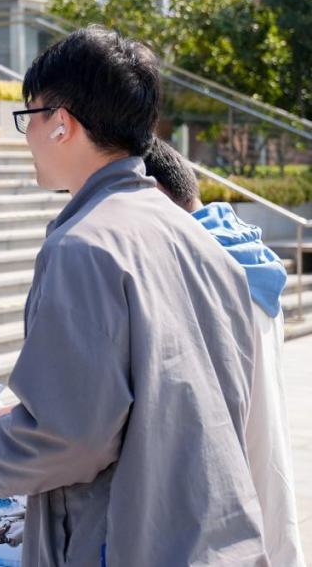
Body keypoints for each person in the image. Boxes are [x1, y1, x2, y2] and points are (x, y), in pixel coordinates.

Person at [0, 27, 269, 566]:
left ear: (60, 122)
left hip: (125, 541)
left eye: (29, 117)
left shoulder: (82, 246)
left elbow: (73, 436)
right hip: (214, 535)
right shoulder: (196, 238)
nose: (28, 135)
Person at [144, 138, 306, 567]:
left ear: (153, 194)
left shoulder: (202, 278)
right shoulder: (246, 256)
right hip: (268, 509)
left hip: (228, 527)